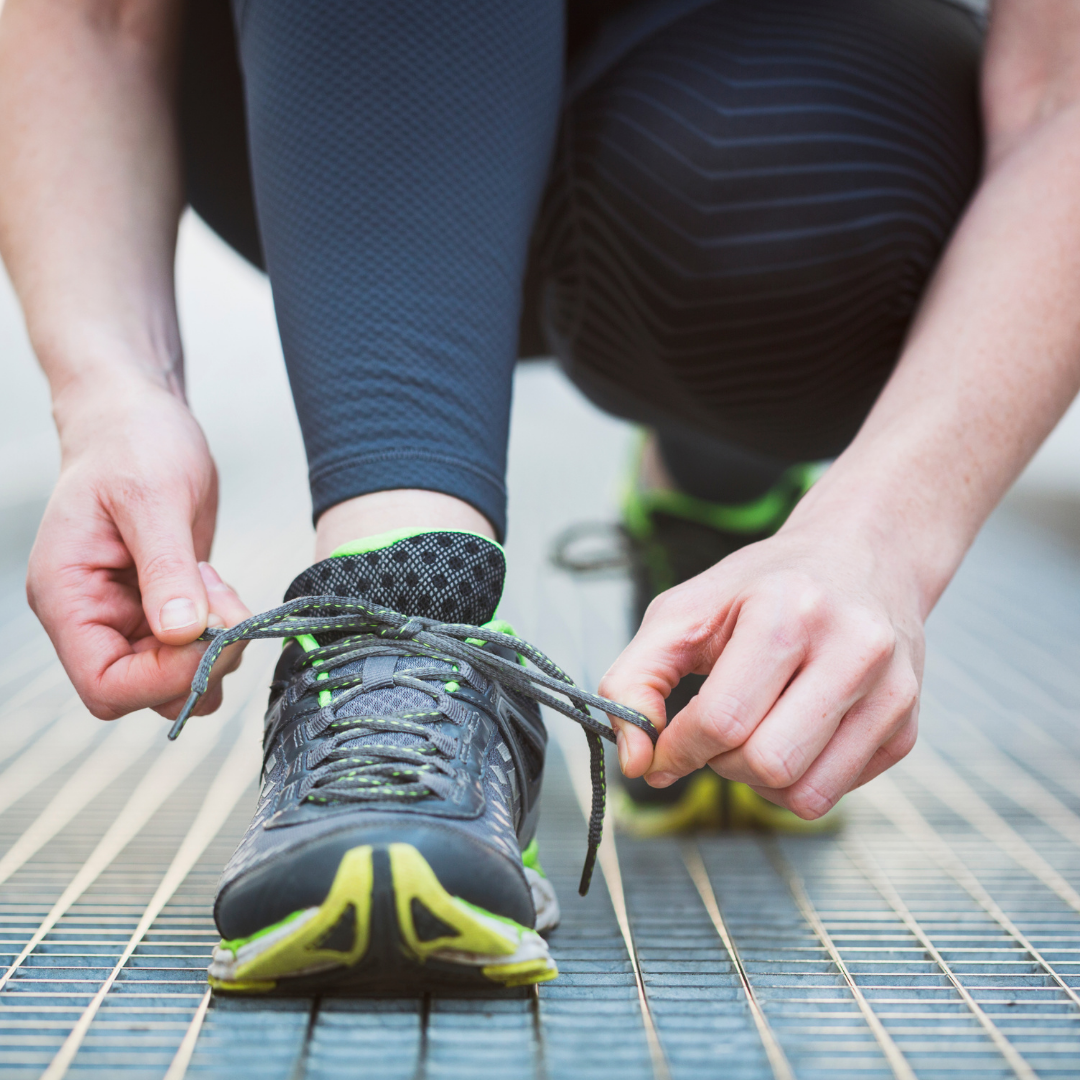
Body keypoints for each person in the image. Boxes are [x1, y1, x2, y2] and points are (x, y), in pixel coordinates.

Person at [2, 0, 1079, 992]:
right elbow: (90, 16)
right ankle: (410, 622)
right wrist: (113, 393)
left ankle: (718, 497)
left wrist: (881, 533)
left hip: (749, 98)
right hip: (318, 78)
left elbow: (1059, 96)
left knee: (791, 178)